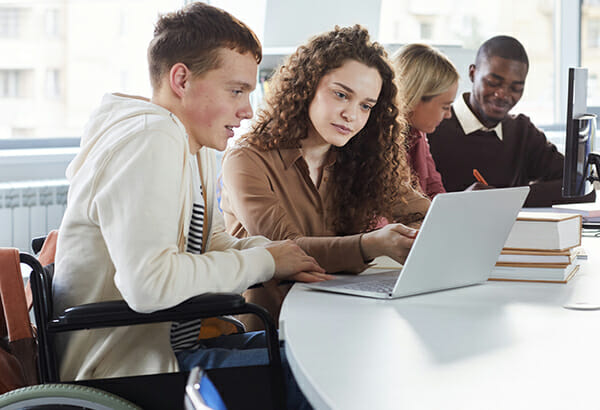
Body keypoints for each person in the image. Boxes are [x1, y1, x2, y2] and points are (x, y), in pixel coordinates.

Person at [52, 3, 327, 407]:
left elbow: (211, 242)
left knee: (311, 352)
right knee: (315, 375)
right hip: (125, 371)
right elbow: (149, 285)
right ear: (181, 79)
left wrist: (277, 253)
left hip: (169, 354)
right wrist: (267, 264)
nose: (247, 110)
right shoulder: (151, 137)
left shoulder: (191, 142)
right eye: (236, 90)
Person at [220, 25, 430, 330]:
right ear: (307, 87)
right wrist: (372, 245)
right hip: (270, 335)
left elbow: (420, 213)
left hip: (343, 319)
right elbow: (288, 251)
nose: (352, 114)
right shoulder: (247, 158)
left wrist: (415, 236)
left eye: (366, 106)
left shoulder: (365, 156)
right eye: (341, 95)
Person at [427, 35, 595, 206]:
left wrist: (502, 198)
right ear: (472, 73)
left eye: (516, 88)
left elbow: (582, 187)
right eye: (493, 82)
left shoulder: (522, 132)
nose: (503, 94)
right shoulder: (433, 126)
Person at [392, 43, 459, 199]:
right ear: (414, 99)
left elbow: (434, 188)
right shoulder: (375, 139)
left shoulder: (418, 135)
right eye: (445, 106)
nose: (448, 115)